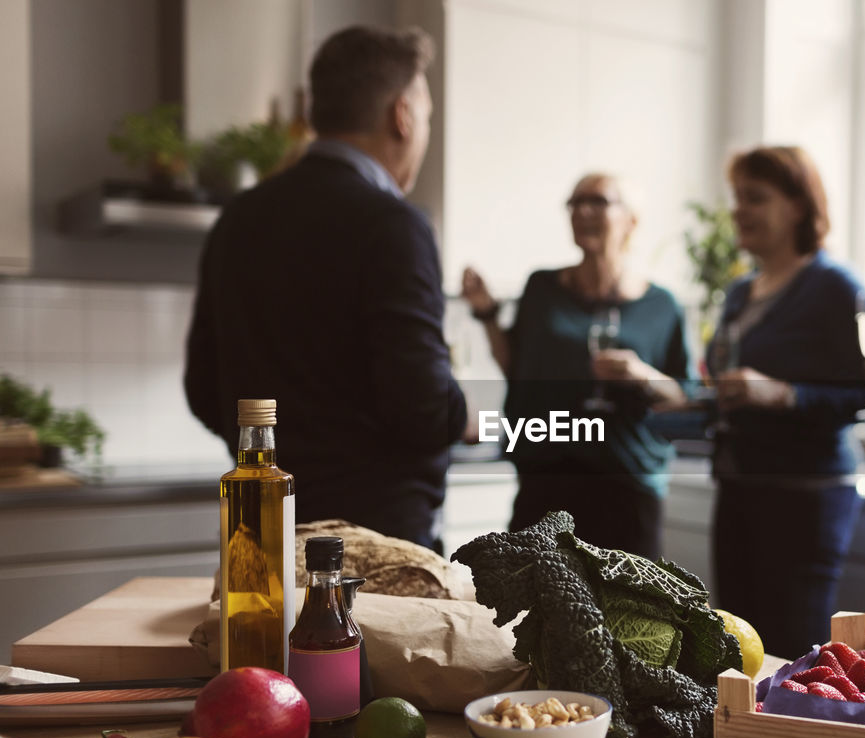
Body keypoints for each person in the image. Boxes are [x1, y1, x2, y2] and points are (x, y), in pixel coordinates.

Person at [184, 25, 466, 552]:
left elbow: (204, 388)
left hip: (264, 532)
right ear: (401, 116)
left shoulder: (238, 219)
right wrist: (462, 413)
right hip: (374, 547)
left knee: (263, 640)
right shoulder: (394, 224)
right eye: (425, 115)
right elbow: (423, 409)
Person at [459, 173, 689, 560]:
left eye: (598, 201)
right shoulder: (542, 288)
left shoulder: (661, 306)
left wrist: (641, 374)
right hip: (546, 482)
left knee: (626, 615)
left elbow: (683, 395)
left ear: (631, 219)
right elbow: (516, 365)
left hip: (625, 487)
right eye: (575, 202)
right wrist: (486, 312)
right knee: (533, 611)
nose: (583, 211)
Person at [708, 146, 865, 660]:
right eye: (738, 199)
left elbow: (861, 394)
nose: (740, 211)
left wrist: (780, 393)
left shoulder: (837, 289)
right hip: (738, 488)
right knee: (736, 647)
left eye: (755, 198)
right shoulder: (738, 294)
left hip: (805, 501)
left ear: (799, 206)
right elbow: (722, 382)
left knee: (794, 651)